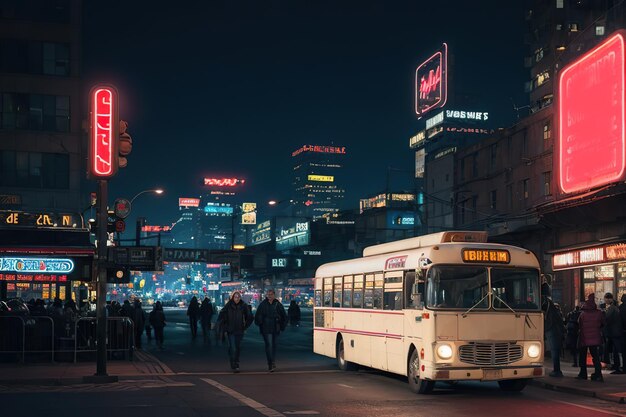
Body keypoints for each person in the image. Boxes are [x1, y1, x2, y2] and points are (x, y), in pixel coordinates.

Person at [217, 291, 254, 373]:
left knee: (237, 347)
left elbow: (250, 317)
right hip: (231, 330)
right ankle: (234, 363)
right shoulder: (228, 306)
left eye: (238, 297)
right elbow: (221, 316)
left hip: (240, 330)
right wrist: (225, 326)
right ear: (232, 297)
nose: (237, 298)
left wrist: (245, 326)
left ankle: (236, 361)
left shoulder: (243, 306)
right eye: (235, 297)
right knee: (233, 347)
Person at [255, 289, 287, 372]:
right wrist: (260, 322)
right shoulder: (263, 304)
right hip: (265, 328)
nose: (269, 296)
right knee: (269, 345)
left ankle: (272, 361)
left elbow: (284, 316)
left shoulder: (278, 304)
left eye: (271, 294)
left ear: (274, 295)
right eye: (268, 294)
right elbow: (257, 315)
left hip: (275, 328)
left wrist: (282, 326)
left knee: (274, 346)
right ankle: (270, 363)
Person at [577, 293, 605, 382]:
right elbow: (603, 323)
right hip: (595, 338)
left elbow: (579, 325)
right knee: (595, 356)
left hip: (584, 338)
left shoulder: (582, 314)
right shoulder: (599, 313)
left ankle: (583, 373)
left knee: (583, 356)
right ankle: (598, 374)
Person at [541, 283, 565, 377]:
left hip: (551, 327)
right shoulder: (549, 302)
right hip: (555, 327)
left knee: (554, 350)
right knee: (555, 349)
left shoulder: (544, 301)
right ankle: (557, 369)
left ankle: (557, 370)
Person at [604, 292, 623, 373]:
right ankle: (616, 365)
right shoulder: (615, 307)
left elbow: (607, 318)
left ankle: (617, 366)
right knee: (614, 350)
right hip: (615, 331)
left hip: (613, 332)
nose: (605, 300)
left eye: (605, 298)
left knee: (615, 350)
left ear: (609, 299)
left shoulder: (612, 308)